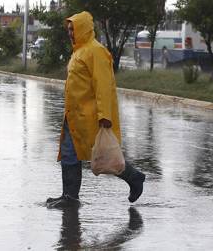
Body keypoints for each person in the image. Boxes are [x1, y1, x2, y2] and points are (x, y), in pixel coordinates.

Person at [46, 11, 145, 209]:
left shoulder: (96, 51)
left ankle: (135, 177)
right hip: (73, 117)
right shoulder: (79, 52)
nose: (70, 33)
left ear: (84, 28)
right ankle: (69, 197)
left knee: (105, 157)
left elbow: (104, 85)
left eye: (73, 29)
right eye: (69, 30)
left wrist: (105, 116)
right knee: (68, 154)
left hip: (90, 118)